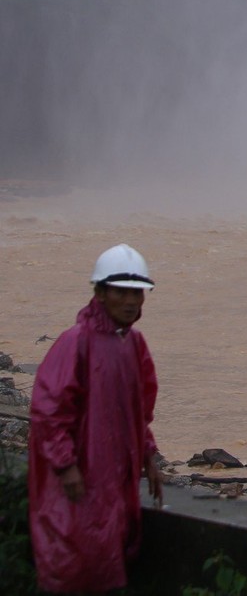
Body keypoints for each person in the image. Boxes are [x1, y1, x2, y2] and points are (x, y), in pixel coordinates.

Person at [27, 244, 166, 594]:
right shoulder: (75, 342)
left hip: (115, 475)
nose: (131, 301)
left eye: (137, 292)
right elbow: (48, 410)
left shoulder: (134, 344)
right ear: (101, 293)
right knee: (76, 560)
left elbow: (139, 411)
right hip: (80, 477)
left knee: (108, 554)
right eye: (122, 292)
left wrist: (149, 454)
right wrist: (65, 465)